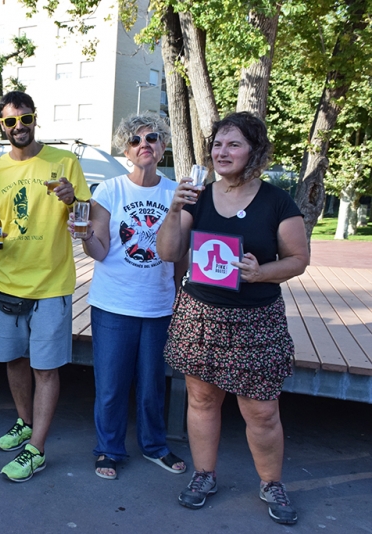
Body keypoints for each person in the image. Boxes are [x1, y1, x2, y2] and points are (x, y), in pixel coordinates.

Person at [157, 112, 308, 525]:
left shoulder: (277, 201)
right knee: (202, 400)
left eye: (234, 144)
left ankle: (271, 482)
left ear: (253, 151)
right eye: (218, 145)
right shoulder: (198, 196)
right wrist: (173, 210)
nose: (222, 152)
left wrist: (261, 272)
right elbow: (169, 252)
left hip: (256, 319)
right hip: (200, 314)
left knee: (261, 410)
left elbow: (298, 260)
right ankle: (204, 475)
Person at [0, 91, 91, 482]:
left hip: (51, 283)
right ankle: (25, 423)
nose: (19, 127)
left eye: (25, 119)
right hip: (7, 280)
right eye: (11, 122)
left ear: (34, 119)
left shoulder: (64, 162)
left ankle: (37, 448)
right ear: (2, 126)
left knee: (45, 368)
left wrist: (72, 197)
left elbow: (85, 218)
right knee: (13, 360)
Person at [73, 114, 187, 480]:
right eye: (136, 141)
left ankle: (154, 446)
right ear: (126, 150)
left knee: (153, 384)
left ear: (163, 146)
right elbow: (101, 250)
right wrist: (85, 236)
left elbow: (180, 253)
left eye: (152, 138)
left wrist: (180, 293)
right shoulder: (109, 190)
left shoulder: (176, 193)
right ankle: (108, 450)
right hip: (113, 304)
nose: (145, 145)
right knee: (111, 384)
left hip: (158, 305)